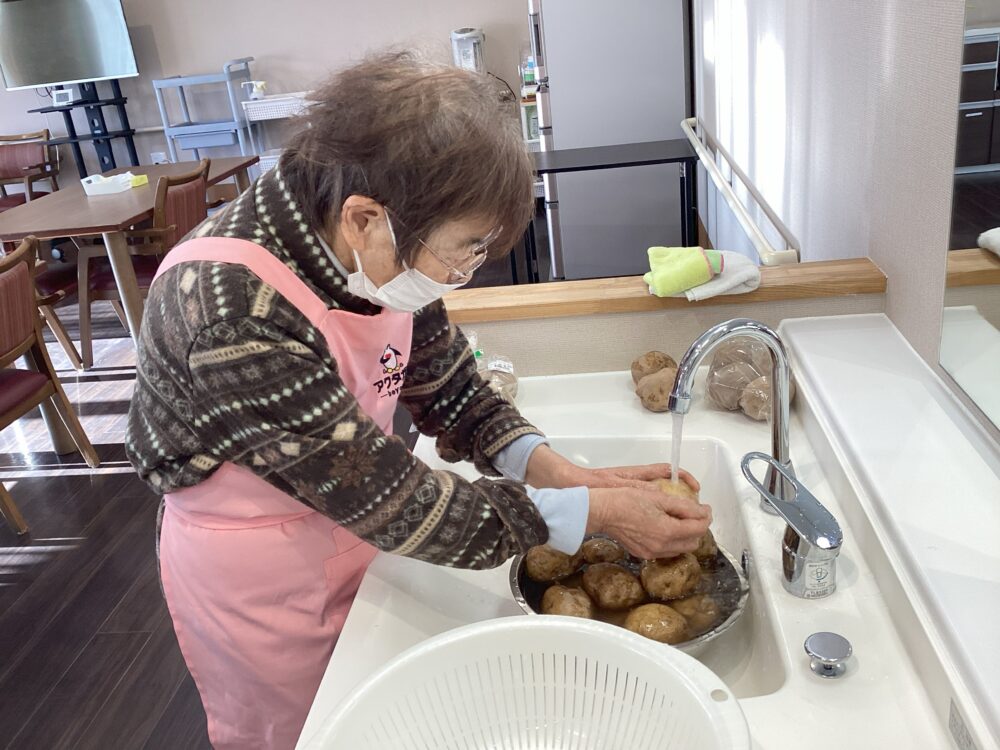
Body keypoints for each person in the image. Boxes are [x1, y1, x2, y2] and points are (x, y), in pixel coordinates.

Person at [126, 51, 711, 750]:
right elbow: (400, 507)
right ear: (364, 218)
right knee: (310, 732)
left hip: (361, 509)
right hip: (260, 570)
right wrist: (591, 513)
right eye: (463, 250)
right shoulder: (234, 315)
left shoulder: (372, 248)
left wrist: (560, 473)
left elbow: (449, 384)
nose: (464, 271)